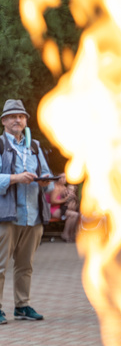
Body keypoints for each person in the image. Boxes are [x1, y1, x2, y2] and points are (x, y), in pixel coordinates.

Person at [0, 99, 55, 324]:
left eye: (21, 116)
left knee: (25, 265)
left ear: (25, 121)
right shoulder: (1, 145)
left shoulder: (35, 147)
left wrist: (48, 183)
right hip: (6, 216)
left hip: (33, 215)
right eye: (12, 116)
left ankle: (22, 306)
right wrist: (15, 178)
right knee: (0, 265)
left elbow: (48, 178)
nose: (17, 119)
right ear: (3, 121)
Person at [48, 174, 79, 243]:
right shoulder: (55, 187)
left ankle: (71, 234)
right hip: (52, 209)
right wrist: (65, 200)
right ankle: (65, 234)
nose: (64, 179)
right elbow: (53, 201)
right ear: (58, 178)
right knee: (73, 215)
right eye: (62, 178)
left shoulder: (63, 187)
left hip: (60, 209)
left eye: (65, 178)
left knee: (75, 215)